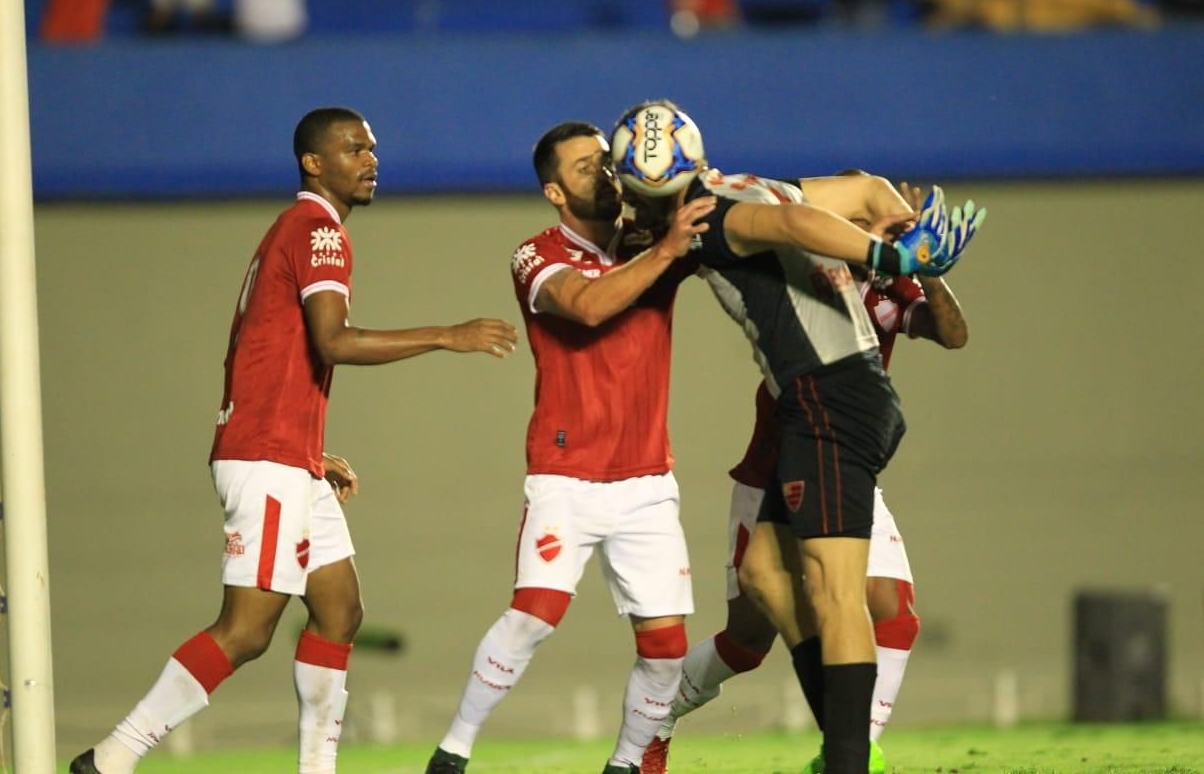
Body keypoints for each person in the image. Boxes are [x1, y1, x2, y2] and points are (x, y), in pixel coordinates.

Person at [69, 106, 518, 774]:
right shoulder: (317, 230)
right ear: (314, 162)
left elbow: (269, 352)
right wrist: (445, 335)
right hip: (266, 457)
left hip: (285, 455)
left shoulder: (299, 229)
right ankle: (112, 758)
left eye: (372, 148)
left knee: (339, 610)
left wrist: (310, 450)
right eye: (353, 149)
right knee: (247, 631)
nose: (370, 159)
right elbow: (331, 341)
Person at [611, 100, 983, 774]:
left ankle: (848, 758)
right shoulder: (752, 184)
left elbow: (785, 223)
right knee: (765, 575)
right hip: (832, 401)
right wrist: (894, 228)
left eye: (640, 191)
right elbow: (866, 188)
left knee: (836, 594)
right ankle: (842, 742)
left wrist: (893, 253)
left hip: (829, 398)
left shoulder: (717, 215)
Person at [422, 120, 718, 774]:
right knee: (534, 616)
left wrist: (710, 194)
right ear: (556, 192)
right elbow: (585, 307)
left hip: (646, 480)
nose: (604, 173)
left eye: (606, 162)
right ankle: (453, 753)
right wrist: (667, 250)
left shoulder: (650, 236)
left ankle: (625, 764)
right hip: (567, 475)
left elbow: (736, 232)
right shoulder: (535, 254)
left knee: (666, 647)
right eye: (585, 167)